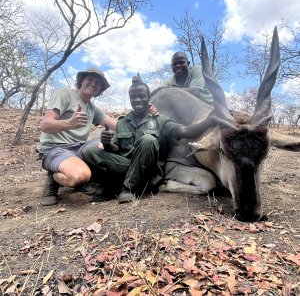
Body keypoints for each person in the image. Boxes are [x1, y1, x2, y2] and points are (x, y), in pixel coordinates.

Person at [82, 76, 212, 204]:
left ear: (148, 98)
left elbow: (186, 131)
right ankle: (120, 185)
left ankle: (128, 189)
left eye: (142, 96)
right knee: (89, 152)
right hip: (127, 165)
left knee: (148, 140)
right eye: (133, 97)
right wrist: (106, 143)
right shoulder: (123, 122)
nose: (137, 100)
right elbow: (115, 149)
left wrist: (209, 120)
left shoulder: (160, 121)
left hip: (148, 173)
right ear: (130, 99)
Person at [36, 68, 117, 206]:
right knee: (80, 176)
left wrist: (143, 117)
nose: (93, 84)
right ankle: (53, 176)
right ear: (81, 81)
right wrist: (68, 123)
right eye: (90, 79)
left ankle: (92, 178)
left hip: (79, 148)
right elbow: (45, 125)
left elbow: (116, 125)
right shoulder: (65, 94)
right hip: (56, 148)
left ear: (100, 89)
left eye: (98, 83)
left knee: (111, 143)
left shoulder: (92, 108)